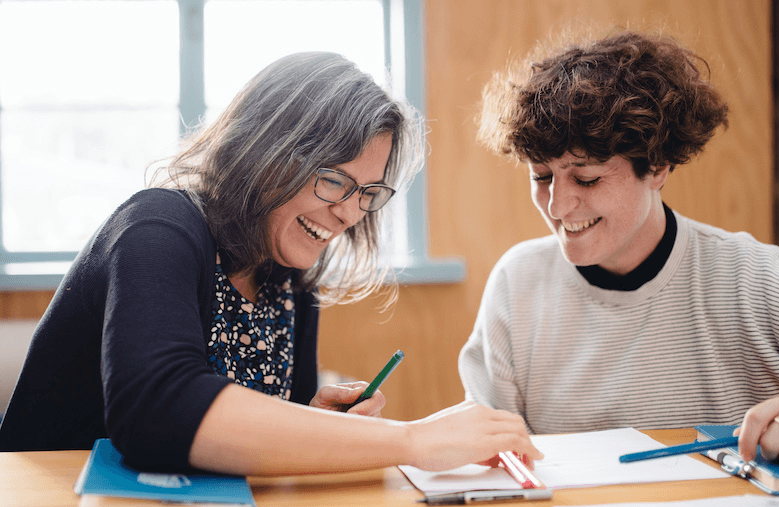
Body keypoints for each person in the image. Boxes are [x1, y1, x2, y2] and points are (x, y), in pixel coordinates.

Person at [0, 52, 542, 475]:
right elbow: (157, 411)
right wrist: (411, 440)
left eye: (368, 193)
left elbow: (236, 441)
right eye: (333, 180)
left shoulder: (290, 282)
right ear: (266, 151)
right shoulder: (158, 228)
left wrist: (312, 424)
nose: (350, 213)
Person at [459, 30, 779, 468]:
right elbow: (493, 456)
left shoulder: (769, 286)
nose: (557, 206)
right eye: (541, 176)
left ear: (658, 166)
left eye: (586, 178)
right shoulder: (517, 285)